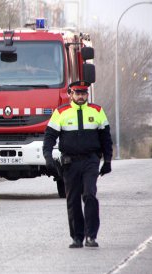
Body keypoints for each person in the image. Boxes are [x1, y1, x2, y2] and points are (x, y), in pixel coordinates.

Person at [43, 80, 113, 248]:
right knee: (73, 200)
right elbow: (49, 136)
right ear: (70, 95)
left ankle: (91, 236)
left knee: (89, 194)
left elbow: (106, 138)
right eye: (77, 93)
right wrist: (48, 157)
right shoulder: (61, 112)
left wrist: (108, 160)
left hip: (91, 160)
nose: (81, 96)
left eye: (83, 93)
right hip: (70, 162)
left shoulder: (97, 111)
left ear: (87, 94)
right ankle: (77, 237)